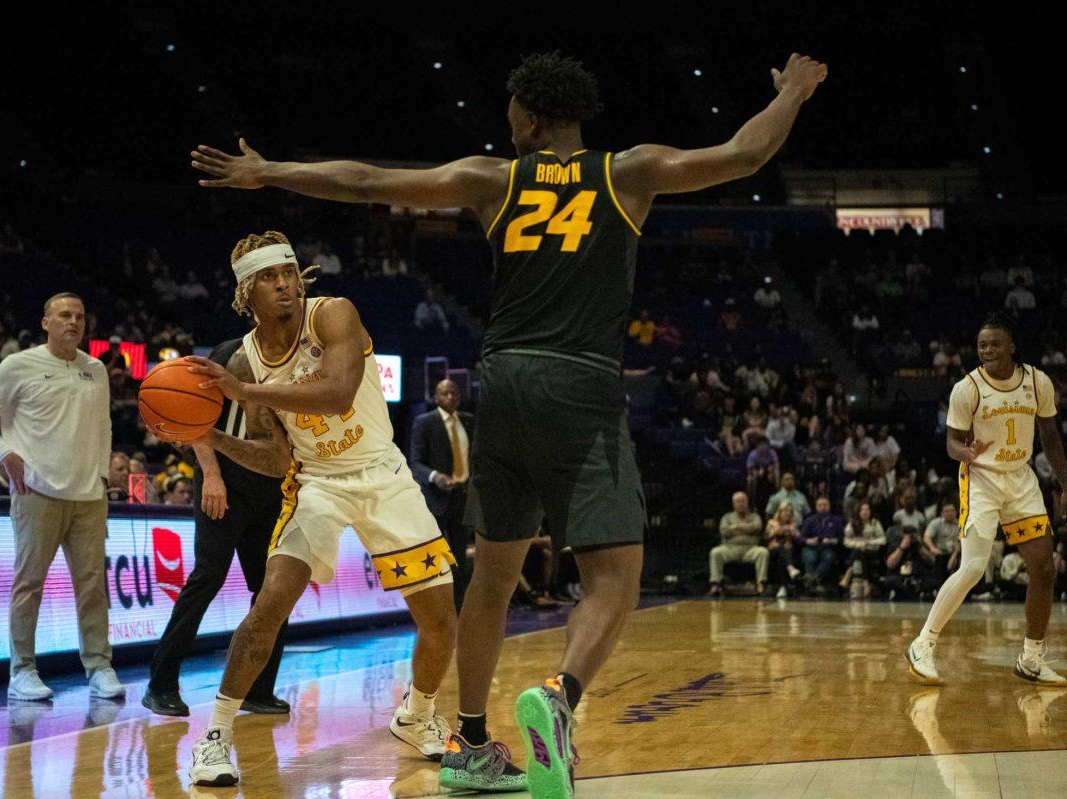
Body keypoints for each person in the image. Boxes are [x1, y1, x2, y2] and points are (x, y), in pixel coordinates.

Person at [189, 49, 827, 797]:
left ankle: (468, 741)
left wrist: (272, 173)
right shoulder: (629, 171)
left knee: (490, 576)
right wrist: (792, 92)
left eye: (510, 109)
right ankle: (560, 697)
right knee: (617, 579)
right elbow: (746, 153)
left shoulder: (493, 178)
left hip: (505, 381)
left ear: (528, 114)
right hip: (580, 383)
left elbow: (367, 182)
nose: (506, 120)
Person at [180, 232, 458, 787]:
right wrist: (213, 435)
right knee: (268, 607)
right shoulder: (246, 359)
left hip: (383, 474)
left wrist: (244, 395)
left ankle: (418, 712)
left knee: (441, 620)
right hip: (317, 485)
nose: (283, 282)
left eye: (288, 271)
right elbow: (278, 457)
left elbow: (336, 392)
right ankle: (214, 738)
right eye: (268, 277)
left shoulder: (332, 315)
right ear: (245, 294)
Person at [0, 292, 125, 702]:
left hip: (90, 496)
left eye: (80, 316)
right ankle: (21, 672)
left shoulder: (96, 370)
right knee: (29, 584)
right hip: (37, 491)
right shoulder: (19, 365)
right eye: (65, 315)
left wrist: (104, 474)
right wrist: (4, 455)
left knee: (93, 587)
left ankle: (99, 666)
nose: (73, 322)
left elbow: (104, 426)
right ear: (46, 322)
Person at [907, 314, 1067, 686]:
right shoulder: (968, 388)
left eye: (995, 343)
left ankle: (1031, 658)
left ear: (1012, 346)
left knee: (1044, 569)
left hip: (1021, 477)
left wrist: (1064, 484)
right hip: (981, 479)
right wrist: (967, 453)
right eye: (982, 345)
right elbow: (951, 443)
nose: (987, 350)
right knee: (974, 568)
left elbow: (1051, 439)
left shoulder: (1036, 382)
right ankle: (922, 643)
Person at [144, 337, 290, 720]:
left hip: (272, 485)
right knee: (208, 577)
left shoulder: (302, 361)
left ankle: (258, 690)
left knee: (274, 587)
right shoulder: (230, 352)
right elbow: (193, 417)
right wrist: (210, 474)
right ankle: (161, 684)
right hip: (224, 480)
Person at [410, 378, 475, 607]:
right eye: (445, 393)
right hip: (436, 500)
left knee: (460, 559)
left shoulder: (468, 421)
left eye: (454, 393)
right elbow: (415, 462)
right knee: (434, 557)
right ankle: (434, 609)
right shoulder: (425, 422)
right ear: (436, 397)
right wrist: (435, 477)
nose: (450, 397)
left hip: (462, 496)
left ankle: (458, 611)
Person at [709, 491, 768, 595]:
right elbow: (724, 531)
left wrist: (735, 527)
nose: (740, 504)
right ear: (733, 504)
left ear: (747, 503)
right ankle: (715, 584)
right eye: (738, 501)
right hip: (730, 549)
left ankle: (761, 583)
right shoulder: (727, 517)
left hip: (750, 549)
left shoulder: (755, 516)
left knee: (763, 552)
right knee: (715, 552)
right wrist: (746, 528)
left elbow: (757, 527)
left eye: (743, 501)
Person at [842, 501, 885, 598]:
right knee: (858, 552)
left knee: (858, 553)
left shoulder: (874, 523)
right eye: (862, 510)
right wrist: (856, 543)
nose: (865, 512)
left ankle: (849, 572)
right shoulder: (852, 523)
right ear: (858, 512)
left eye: (867, 510)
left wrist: (868, 542)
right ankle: (865, 583)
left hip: (872, 551)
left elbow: (883, 539)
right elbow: (846, 540)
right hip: (858, 551)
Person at [799, 496, 842, 590]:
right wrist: (808, 540)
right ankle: (814, 584)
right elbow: (801, 538)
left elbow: (841, 538)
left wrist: (831, 540)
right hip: (811, 546)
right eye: (820, 505)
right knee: (810, 557)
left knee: (828, 556)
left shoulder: (836, 520)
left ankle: (812, 581)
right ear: (816, 507)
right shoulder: (809, 520)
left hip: (828, 547)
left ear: (829, 506)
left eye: (825, 505)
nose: (823, 507)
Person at [765, 502, 800, 598]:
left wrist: (793, 532)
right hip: (773, 550)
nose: (787, 513)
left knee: (783, 556)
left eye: (790, 511)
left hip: (787, 551)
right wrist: (777, 531)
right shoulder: (771, 522)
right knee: (781, 550)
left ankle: (783, 588)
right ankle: (791, 569)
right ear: (779, 512)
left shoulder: (793, 524)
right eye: (785, 511)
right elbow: (766, 537)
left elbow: (798, 537)